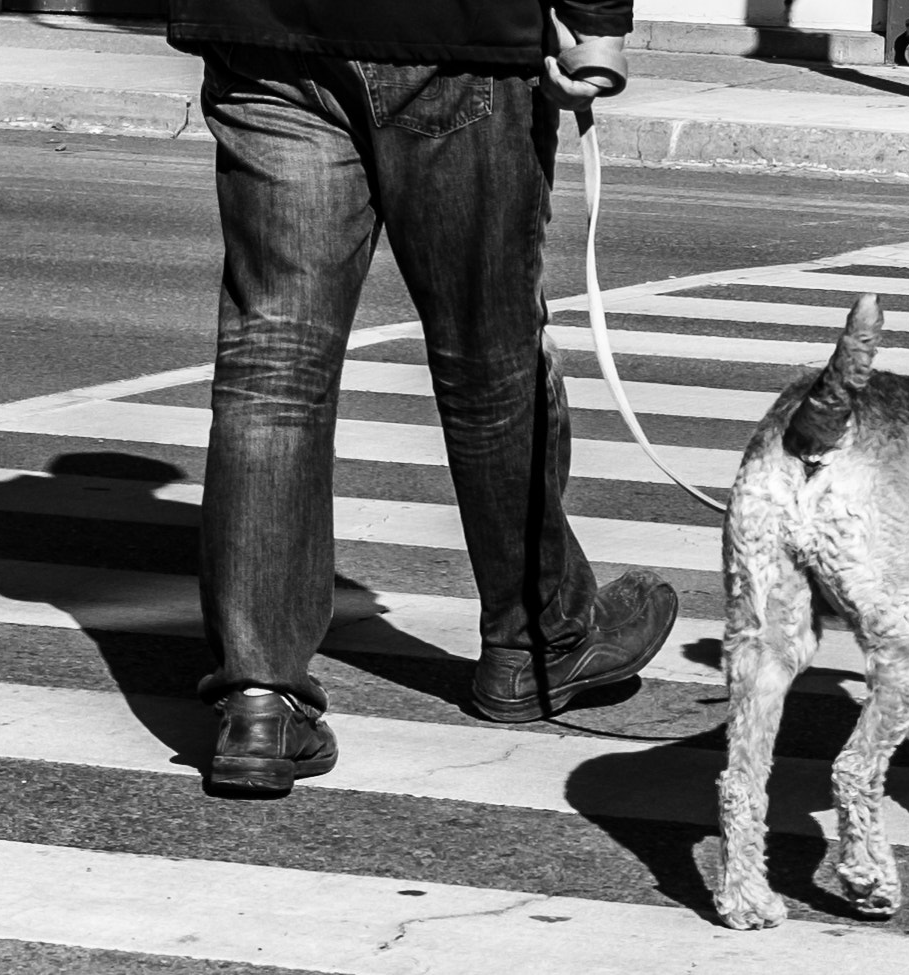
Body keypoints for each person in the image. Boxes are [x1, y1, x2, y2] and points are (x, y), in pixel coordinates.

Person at [166, 0, 680, 794]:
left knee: (274, 363)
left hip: (264, 31)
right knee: (488, 353)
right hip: (454, 32)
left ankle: (259, 697)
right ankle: (535, 640)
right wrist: (597, 24)